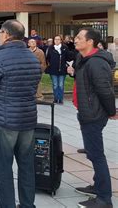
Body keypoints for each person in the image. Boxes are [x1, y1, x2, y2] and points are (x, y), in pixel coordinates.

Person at [0, 20, 42, 208]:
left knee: (3, 167)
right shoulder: (32, 57)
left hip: (4, 120)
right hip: (28, 119)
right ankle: (27, 204)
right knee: (26, 166)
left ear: (6, 34)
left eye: (0, 32)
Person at [68, 28, 116, 208]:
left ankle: (104, 199)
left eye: (79, 38)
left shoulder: (96, 63)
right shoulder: (84, 59)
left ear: (90, 42)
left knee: (96, 155)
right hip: (87, 111)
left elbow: (105, 91)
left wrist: (111, 111)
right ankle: (98, 187)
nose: (75, 40)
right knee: (93, 153)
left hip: (93, 114)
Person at [45, 35, 69, 104]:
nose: (57, 41)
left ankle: (60, 99)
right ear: (53, 40)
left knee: (61, 85)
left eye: (58, 39)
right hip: (53, 69)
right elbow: (47, 58)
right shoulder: (50, 48)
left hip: (62, 69)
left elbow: (67, 57)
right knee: (55, 84)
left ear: (61, 40)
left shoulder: (64, 48)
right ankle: (56, 98)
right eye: (55, 39)